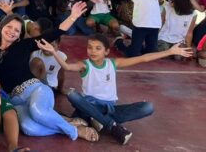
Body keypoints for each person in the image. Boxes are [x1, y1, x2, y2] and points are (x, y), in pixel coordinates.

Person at [37, 34, 193, 144]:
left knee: (148, 107)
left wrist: (170, 51)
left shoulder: (113, 63)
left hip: (109, 108)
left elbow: (143, 58)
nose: (92, 51)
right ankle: (112, 126)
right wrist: (53, 51)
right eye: (90, 47)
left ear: (106, 51)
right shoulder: (85, 65)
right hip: (89, 104)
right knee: (73, 95)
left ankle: (98, 120)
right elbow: (67, 66)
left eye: (98, 48)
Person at [0, 1, 98, 142]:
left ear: (20, 35)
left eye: (17, 30)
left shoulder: (24, 45)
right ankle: (66, 124)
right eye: (9, 27)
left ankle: (75, 131)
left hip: (36, 89)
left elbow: (54, 32)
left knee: (38, 112)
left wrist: (72, 16)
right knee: (28, 128)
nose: (12, 32)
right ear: (1, 27)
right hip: (15, 100)